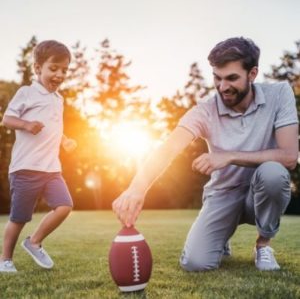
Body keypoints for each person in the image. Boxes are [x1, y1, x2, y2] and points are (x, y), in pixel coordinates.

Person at [112, 37, 299, 271]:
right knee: (195, 263)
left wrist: (229, 156)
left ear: (252, 74)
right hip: (223, 194)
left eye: (231, 78)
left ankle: (263, 245)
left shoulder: (279, 94)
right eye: (217, 78)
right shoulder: (205, 111)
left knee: (274, 173)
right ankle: (222, 239)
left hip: (261, 192)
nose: (222, 87)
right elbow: (168, 148)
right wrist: (136, 188)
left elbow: (290, 156)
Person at [0, 40, 77, 273]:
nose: (59, 74)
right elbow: (6, 120)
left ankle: (34, 242)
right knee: (19, 218)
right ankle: (5, 260)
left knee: (65, 206)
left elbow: (55, 127)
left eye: (64, 70)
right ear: (37, 68)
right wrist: (26, 124)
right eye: (53, 68)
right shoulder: (27, 92)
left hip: (51, 169)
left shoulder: (58, 99)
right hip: (25, 168)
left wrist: (65, 140)